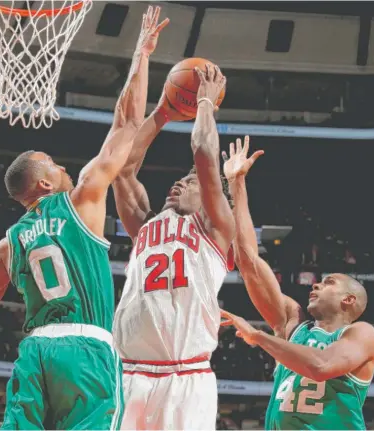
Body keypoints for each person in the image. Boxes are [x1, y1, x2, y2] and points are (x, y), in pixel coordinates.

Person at [0, 6, 169, 430]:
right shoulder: (81, 200)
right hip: (85, 350)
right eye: (53, 164)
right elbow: (129, 122)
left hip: (35, 352)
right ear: (43, 184)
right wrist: (142, 54)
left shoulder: (8, 243)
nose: (61, 166)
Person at [220, 136, 374, 430]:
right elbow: (249, 262)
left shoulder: (362, 334)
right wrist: (236, 184)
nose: (316, 285)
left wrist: (258, 337)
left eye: (328, 282)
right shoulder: (293, 324)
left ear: (349, 300)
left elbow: (320, 367)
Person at [112, 64, 234, 430]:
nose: (179, 184)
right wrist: (163, 111)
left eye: (190, 182)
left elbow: (204, 153)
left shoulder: (215, 229)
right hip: (129, 374)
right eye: (180, 180)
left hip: (185, 376)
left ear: (212, 198)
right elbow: (122, 170)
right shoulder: (146, 225)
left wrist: (205, 106)